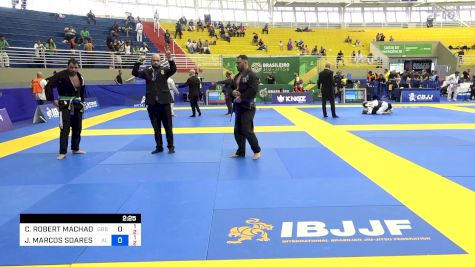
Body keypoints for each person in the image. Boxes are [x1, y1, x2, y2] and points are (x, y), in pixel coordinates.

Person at [132, 51, 177, 154]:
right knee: (156, 128)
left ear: (160, 61)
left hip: (165, 103)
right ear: (151, 61)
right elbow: (134, 73)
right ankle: (159, 147)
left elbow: (173, 69)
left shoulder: (165, 70)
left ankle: (171, 146)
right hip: (152, 104)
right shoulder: (146, 71)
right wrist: (139, 61)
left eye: (157, 60)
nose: (156, 62)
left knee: (168, 127)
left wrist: (170, 59)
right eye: (154, 60)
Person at [45, 58, 87, 160]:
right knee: (65, 128)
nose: (73, 69)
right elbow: (48, 85)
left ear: (78, 67)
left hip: (77, 105)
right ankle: (63, 152)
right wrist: (52, 100)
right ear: (68, 67)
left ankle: (75, 148)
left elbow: (82, 91)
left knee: (77, 127)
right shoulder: (60, 76)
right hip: (64, 105)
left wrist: (82, 102)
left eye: (75, 67)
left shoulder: (80, 76)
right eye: (71, 67)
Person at [230, 55, 261, 160]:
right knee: (237, 130)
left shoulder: (252, 75)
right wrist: (232, 92)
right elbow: (230, 88)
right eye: (236, 63)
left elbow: (253, 91)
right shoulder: (236, 76)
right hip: (238, 107)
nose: (237, 65)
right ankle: (241, 151)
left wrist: (241, 97)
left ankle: (256, 151)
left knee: (246, 129)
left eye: (239, 63)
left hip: (248, 106)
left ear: (245, 63)